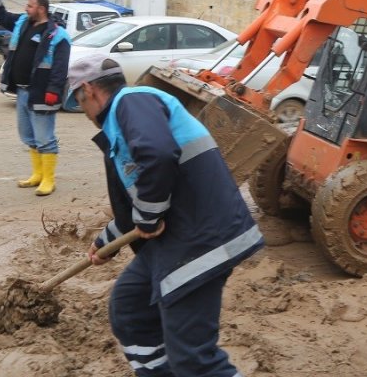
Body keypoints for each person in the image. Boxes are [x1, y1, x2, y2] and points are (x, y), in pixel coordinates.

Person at [67, 53, 263, 377]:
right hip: (175, 237)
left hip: (201, 240)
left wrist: (147, 217)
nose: (82, 111)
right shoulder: (120, 125)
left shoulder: (132, 102)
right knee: (131, 309)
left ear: (88, 89)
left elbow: (157, 155)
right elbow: (139, 205)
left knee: (193, 358)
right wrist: (105, 243)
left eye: (77, 101)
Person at [0, 0, 70, 196]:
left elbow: (60, 68)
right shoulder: (23, 22)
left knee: (45, 138)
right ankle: (38, 175)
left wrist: (54, 91)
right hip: (22, 91)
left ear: (41, 9)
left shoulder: (58, 35)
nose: (26, 8)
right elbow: (2, 17)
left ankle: (49, 180)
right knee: (28, 136)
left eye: (30, 5)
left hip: (42, 93)